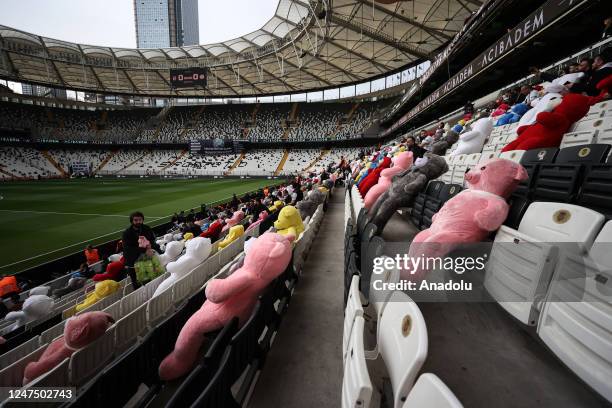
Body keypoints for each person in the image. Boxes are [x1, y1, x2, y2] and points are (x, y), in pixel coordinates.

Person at [122, 211, 161, 290]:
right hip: (132, 260)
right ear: (132, 221)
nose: (138, 222)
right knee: (135, 280)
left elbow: (152, 240)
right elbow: (128, 248)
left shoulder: (146, 228)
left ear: (142, 220)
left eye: (140, 220)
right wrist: (144, 250)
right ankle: (137, 292)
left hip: (146, 258)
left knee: (148, 277)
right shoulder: (127, 233)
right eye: (136, 220)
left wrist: (153, 247)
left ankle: (150, 291)